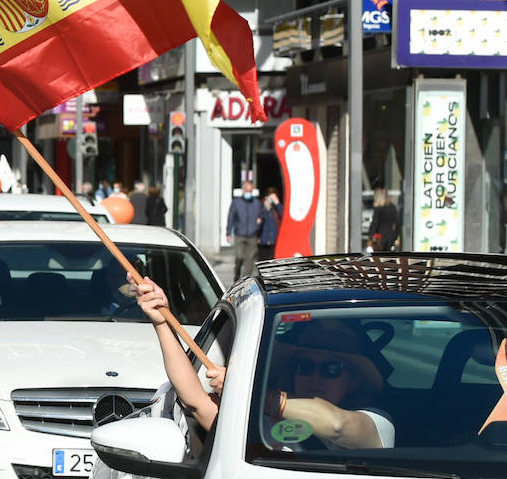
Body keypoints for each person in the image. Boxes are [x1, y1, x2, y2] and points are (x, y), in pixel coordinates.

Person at [132, 277, 392, 449]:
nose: (315, 376)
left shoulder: (376, 423)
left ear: (355, 380)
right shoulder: (260, 423)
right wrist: (162, 322)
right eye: (304, 366)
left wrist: (252, 392)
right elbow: (196, 401)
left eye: (331, 369)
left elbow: (337, 424)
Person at [225, 179, 263, 281]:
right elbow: (231, 217)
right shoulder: (236, 202)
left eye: (250, 191)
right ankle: (236, 274)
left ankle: (245, 281)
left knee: (249, 260)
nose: (248, 193)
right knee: (239, 257)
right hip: (239, 234)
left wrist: (259, 226)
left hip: (252, 235)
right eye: (247, 190)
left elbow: (261, 216)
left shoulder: (257, 203)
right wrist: (228, 233)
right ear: (243, 190)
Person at [368, 186, 400, 251]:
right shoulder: (392, 207)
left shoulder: (378, 208)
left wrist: (371, 236)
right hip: (390, 236)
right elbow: (398, 221)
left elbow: (375, 223)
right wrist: (395, 235)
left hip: (379, 237)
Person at [257, 187, 281, 261]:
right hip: (263, 239)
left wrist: (277, 203)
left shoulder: (277, 207)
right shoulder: (261, 205)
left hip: (275, 239)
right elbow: (258, 220)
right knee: (263, 261)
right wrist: (265, 208)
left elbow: (284, 216)